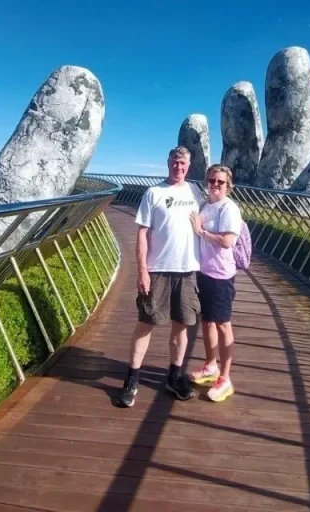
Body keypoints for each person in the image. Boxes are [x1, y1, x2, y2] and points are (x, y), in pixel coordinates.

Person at [117, 146, 205, 408]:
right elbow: (142, 234)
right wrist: (142, 270)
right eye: (175, 162)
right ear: (168, 163)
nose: (179, 166)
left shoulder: (195, 192)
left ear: (189, 166)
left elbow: (207, 221)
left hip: (187, 270)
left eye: (183, 163)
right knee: (146, 323)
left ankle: (174, 377)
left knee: (182, 325)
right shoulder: (153, 193)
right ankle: (131, 380)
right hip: (158, 270)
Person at [188, 165, 242, 402]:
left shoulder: (229, 208)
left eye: (221, 182)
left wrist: (201, 232)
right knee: (208, 321)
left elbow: (228, 241)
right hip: (204, 273)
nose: (215, 185)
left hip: (221, 276)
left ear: (228, 186)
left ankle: (225, 379)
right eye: (212, 180)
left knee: (222, 325)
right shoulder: (206, 205)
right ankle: (211, 366)